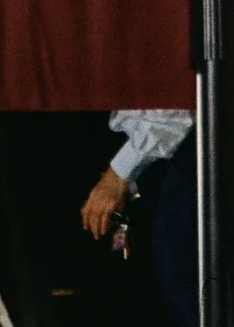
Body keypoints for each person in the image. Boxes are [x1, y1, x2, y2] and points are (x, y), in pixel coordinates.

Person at [79, 108, 196, 327]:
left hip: (185, 160)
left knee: (187, 290)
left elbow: (175, 112)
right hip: (153, 168)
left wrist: (118, 176)